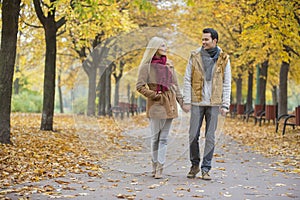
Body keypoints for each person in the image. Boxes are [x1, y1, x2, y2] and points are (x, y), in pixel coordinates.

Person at [182, 28, 231, 180]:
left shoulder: (223, 58)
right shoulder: (195, 56)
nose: (203, 42)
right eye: (202, 39)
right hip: (197, 102)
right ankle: (195, 164)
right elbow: (187, 78)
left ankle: (206, 168)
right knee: (192, 135)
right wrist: (187, 101)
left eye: (206, 40)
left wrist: (225, 104)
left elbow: (227, 82)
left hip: (214, 103)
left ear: (215, 40)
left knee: (210, 136)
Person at [136, 36, 185, 179]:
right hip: (156, 104)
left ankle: (160, 167)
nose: (165, 48)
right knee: (155, 138)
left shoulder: (169, 65)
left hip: (169, 103)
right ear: (155, 48)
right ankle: (154, 164)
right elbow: (139, 86)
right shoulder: (146, 66)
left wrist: (182, 102)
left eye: (166, 45)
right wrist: (154, 95)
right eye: (163, 46)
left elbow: (175, 85)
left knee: (164, 138)